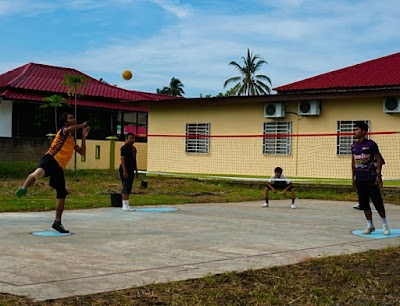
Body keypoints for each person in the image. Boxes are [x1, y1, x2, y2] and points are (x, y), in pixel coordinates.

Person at [15, 113, 90, 233]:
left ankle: (57, 222)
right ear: (65, 123)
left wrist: (84, 137)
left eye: (73, 117)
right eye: (71, 118)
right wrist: (81, 125)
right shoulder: (63, 131)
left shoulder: (72, 139)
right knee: (38, 173)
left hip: (59, 167)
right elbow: (69, 129)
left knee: (62, 193)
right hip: (51, 158)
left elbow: (82, 152)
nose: (74, 119)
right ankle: (24, 187)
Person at [351, 121, 390, 235]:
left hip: (371, 178)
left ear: (363, 132)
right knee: (364, 204)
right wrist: (353, 177)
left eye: (356, 129)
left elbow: (379, 160)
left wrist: (378, 175)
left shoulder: (371, 144)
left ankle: (385, 224)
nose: (354, 132)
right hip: (360, 178)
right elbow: (353, 162)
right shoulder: (354, 146)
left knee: (377, 202)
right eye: (354, 130)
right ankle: (370, 225)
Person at [119, 132, 139, 210]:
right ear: (126, 139)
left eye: (133, 138)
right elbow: (122, 160)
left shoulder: (133, 149)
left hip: (131, 170)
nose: (131, 140)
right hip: (125, 170)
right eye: (130, 138)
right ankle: (124, 205)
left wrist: (136, 171)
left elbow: (134, 160)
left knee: (129, 186)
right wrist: (125, 171)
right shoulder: (124, 148)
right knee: (125, 186)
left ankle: (127, 204)